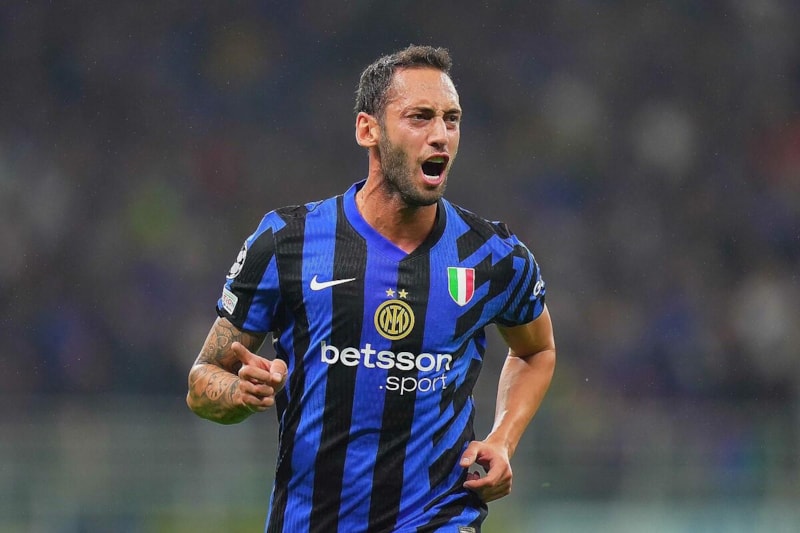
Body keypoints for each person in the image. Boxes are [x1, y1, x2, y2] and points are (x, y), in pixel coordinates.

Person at [186, 44, 556, 533]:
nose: (440, 135)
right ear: (368, 130)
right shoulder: (287, 242)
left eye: (451, 119)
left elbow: (536, 351)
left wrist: (503, 439)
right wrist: (238, 391)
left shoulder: (494, 256)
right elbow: (201, 384)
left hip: (438, 518)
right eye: (420, 117)